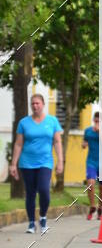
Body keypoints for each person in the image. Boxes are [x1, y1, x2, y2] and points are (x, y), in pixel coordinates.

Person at [9, 93, 63, 234]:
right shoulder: (23, 123)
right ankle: (31, 223)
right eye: (32, 103)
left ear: (43, 104)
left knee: (44, 190)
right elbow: (18, 144)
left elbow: (57, 142)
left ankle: (43, 217)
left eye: (37, 103)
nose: (35, 106)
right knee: (30, 193)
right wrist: (13, 164)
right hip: (27, 163)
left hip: (45, 161)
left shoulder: (52, 121)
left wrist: (60, 161)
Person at [82, 111, 102, 219]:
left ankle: (101, 208)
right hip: (91, 161)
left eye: (99, 121)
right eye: (96, 121)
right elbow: (85, 141)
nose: (97, 123)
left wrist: (100, 131)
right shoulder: (88, 130)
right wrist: (84, 144)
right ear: (93, 120)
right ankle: (92, 206)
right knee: (90, 183)